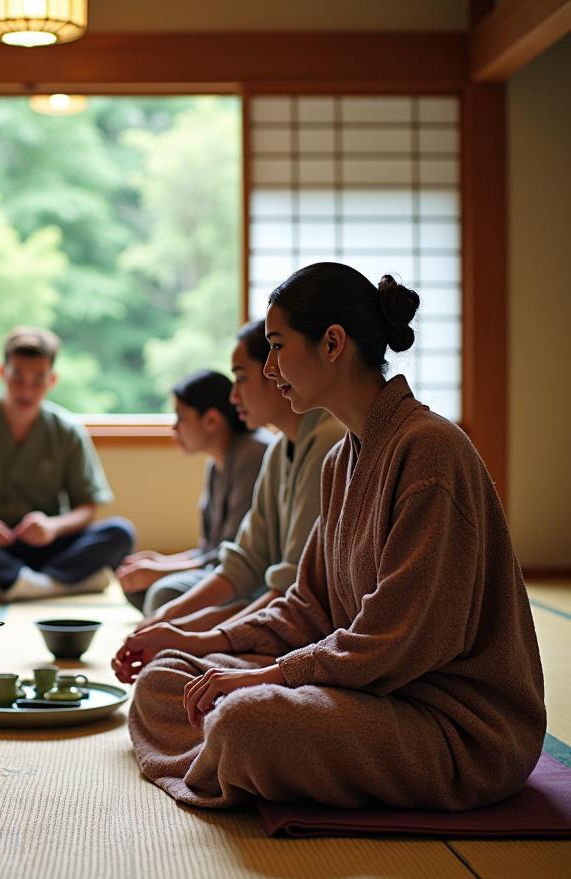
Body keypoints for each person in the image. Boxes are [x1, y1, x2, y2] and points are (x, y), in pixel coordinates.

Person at [129, 262, 545, 813]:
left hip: (452, 727)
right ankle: (233, 756)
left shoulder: (431, 450)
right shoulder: (339, 460)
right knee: (163, 680)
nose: (270, 367)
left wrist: (266, 678)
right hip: (366, 694)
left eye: (277, 347)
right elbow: (308, 606)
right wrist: (205, 645)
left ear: (332, 343)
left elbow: (400, 637)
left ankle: (234, 750)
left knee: (242, 720)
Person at [113, 321, 344, 684]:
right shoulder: (281, 448)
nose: (233, 397)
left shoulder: (327, 441)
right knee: (163, 675)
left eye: (240, 378)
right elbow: (242, 561)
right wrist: (166, 620)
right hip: (270, 612)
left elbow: (294, 591)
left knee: (173, 682)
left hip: (307, 633)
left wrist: (193, 637)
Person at [0, 325, 135, 600]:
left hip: (50, 545)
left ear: (52, 380)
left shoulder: (67, 430)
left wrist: (52, 526)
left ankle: (22, 585)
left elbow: (87, 508)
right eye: (17, 377)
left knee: (120, 533)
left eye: (38, 380)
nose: (26, 389)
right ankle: (60, 584)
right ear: (2, 372)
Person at [117, 363, 271, 615]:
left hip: (250, 580)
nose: (175, 428)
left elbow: (234, 556)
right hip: (219, 567)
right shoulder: (216, 463)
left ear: (211, 420)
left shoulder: (252, 453)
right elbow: (209, 549)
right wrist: (160, 561)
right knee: (136, 586)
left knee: (163, 593)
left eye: (181, 418)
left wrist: (162, 571)